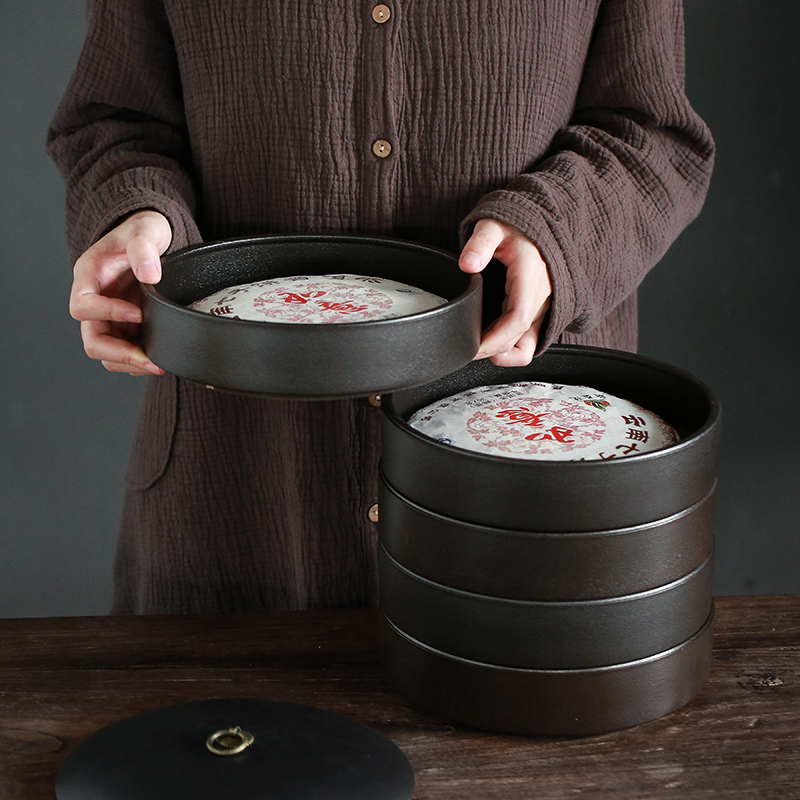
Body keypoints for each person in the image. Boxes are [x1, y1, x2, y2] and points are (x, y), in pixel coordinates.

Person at [47, 0, 714, 614]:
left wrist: (554, 232)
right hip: (238, 505)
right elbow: (116, 121)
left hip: (532, 526)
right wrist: (136, 213)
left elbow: (654, 132)